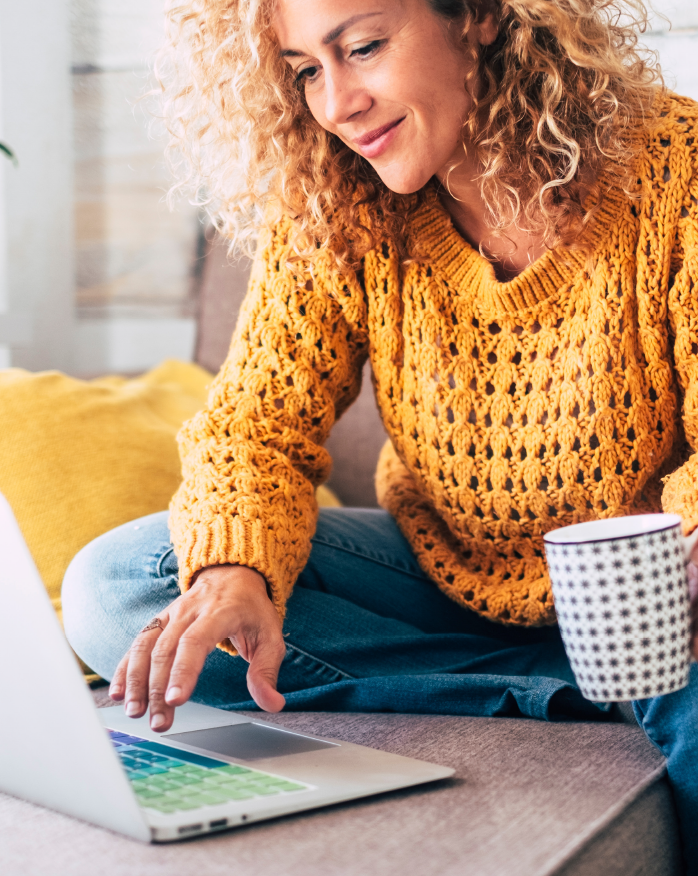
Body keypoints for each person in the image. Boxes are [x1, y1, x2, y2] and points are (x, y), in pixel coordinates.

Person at [62, 0, 698, 870]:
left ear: (477, 15)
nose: (337, 104)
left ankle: (614, 684)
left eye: (361, 48)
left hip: (651, 599)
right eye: (306, 70)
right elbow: (254, 427)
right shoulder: (335, 196)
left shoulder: (675, 167)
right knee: (117, 585)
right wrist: (233, 570)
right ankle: (562, 692)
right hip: (444, 573)